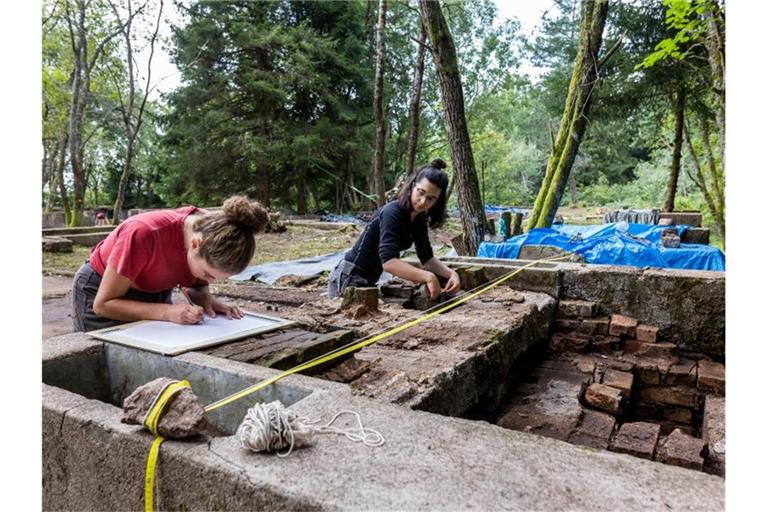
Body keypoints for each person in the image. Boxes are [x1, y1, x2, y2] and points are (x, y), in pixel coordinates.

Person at [72, 196, 268, 332]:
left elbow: (196, 286)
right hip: (102, 290)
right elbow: (103, 304)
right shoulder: (144, 233)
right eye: (208, 274)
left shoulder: (219, 230)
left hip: (154, 289)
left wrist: (206, 299)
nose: (209, 280)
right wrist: (166, 311)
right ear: (194, 244)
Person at [328, 158, 461, 300]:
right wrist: (428, 277)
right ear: (412, 186)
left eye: (431, 199)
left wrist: (452, 274)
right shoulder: (392, 212)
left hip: (369, 279)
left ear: (437, 201)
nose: (423, 202)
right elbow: (389, 263)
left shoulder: (418, 218)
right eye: (421, 192)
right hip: (349, 277)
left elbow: (427, 258)